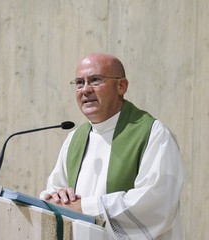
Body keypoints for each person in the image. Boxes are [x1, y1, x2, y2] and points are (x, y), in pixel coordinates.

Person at [40, 53, 183, 240]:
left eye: (95, 80)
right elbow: (54, 192)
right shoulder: (75, 138)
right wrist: (57, 197)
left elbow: (156, 202)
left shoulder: (153, 134)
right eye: (79, 83)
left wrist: (84, 207)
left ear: (121, 86)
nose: (85, 89)